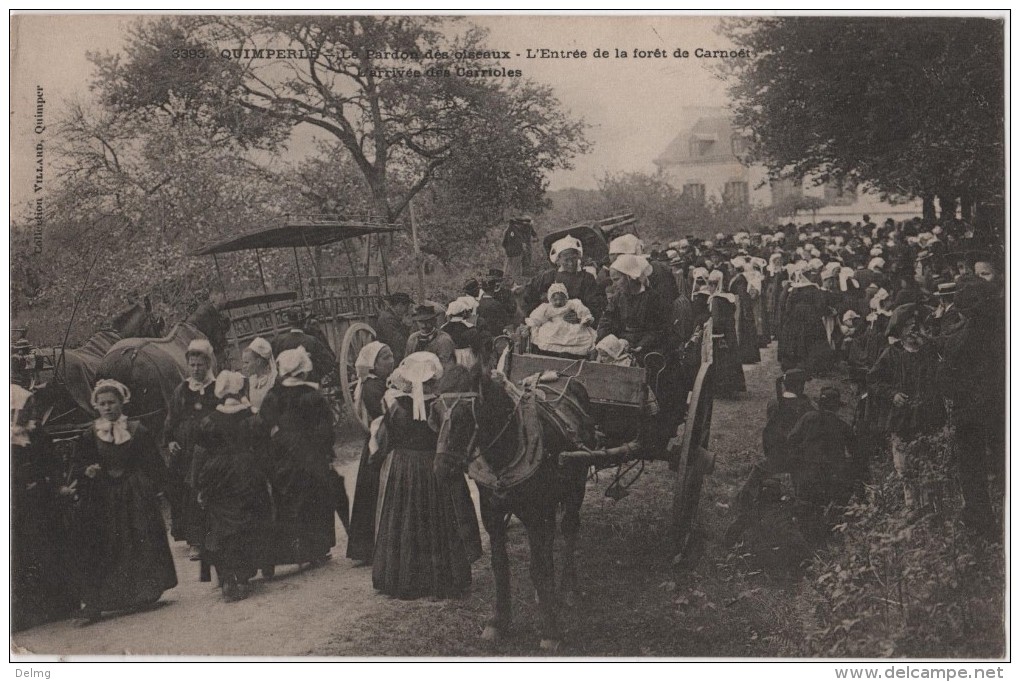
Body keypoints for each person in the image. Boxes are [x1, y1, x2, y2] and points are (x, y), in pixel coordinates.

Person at [372, 352, 482, 599]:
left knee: (405, 519)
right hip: (435, 467)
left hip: (403, 469)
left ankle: (406, 577)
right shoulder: (443, 403)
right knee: (438, 519)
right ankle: (442, 577)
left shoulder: (391, 402)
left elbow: (384, 439)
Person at [76, 379, 177, 622]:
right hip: (105, 495)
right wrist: (87, 470)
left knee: (140, 538)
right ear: (96, 406)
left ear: (122, 402)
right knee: (111, 542)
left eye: (112, 402)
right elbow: (80, 463)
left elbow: (153, 463)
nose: (108, 408)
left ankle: (145, 591)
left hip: (135, 493)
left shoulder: (136, 430)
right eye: (102, 404)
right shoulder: (91, 434)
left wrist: (155, 488)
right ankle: (115, 596)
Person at [193, 371, 271, 601]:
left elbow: (200, 454)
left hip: (217, 475)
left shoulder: (208, 421)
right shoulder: (251, 417)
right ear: (240, 391)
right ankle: (244, 575)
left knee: (220, 523)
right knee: (248, 520)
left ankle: (227, 577)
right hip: (246, 472)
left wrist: (199, 484)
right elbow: (264, 449)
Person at [258, 347, 337, 569]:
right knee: (315, 499)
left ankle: (290, 550)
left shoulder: (273, 396)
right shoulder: (312, 396)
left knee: (287, 500)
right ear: (303, 372)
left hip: (283, 452)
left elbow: (262, 425)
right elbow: (325, 429)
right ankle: (316, 549)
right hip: (310, 452)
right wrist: (326, 451)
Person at [12, 386, 79, 630]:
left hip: (40, 501)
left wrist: (59, 485)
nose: (25, 414)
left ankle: (60, 604)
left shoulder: (36, 435)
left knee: (48, 548)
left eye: (28, 409)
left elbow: (51, 462)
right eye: (19, 410)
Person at [867, 303, 945, 508]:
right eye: (908, 326)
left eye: (915, 325)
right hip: (902, 418)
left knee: (927, 459)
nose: (912, 331)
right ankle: (912, 505)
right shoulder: (891, 354)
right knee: (904, 463)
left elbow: (942, 374)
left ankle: (929, 506)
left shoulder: (929, 352)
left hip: (928, 416)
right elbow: (874, 380)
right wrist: (892, 394)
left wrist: (928, 346)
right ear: (899, 331)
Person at [725, 369, 813, 545]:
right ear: (799, 386)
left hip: (776, 454)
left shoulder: (774, 403)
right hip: (797, 456)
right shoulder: (805, 406)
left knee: (758, 472)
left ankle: (741, 504)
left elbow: (769, 433)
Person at [165, 339, 219, 555]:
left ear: (209, 364)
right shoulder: (182, 389)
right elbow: (172, 419)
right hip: (188, 449)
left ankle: (215, 535)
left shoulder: (217, 386)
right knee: (190, 490)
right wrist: (170, 440)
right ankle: (195, 541)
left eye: (200, 364)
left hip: (212, 446)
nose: (196, 369)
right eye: (192, 365)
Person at [347, 342, 396, 563]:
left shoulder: (382, 383)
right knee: (376, 491)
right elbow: (384, 416)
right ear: (373, 364)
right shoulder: (371, 387)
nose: (391, 360)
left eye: (391, 356)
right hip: (379, 441)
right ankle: (370, 547)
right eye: (385, 357)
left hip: (382, 438)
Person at [787, 387, 853, 543]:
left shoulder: (808, 418)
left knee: (805, 506)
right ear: (836, 407)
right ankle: (822, 540)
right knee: (823, 507)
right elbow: (855, 451)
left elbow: (791, 439)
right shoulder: (842, 426)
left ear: (820, 404)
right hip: (829, 476)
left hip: (806, 472)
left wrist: (798, 460)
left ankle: (804, 542)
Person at [596, 254, 669, 359]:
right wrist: (601, 340)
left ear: (629, 277)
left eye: (616, 279)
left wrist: (642, 345)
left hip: (645, 344)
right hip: (622, 342)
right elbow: (607, 320)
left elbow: (658, 329)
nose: (614, 285)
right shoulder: (618, 298)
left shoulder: (652, 298)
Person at [524, 236, 606, 322]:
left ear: (578, 257)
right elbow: (530, 294)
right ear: (558, 260)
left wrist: (580, 317)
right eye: (566, 260)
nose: (570, 263)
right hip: (551, 323)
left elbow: (595, 305)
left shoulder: (587, 278)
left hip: (578, 323)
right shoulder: (549, 276)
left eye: (573, 258)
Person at [526, 282, 597, 358]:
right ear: (550, 299)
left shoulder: (572, 303)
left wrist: (585, 319)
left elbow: (582, 310)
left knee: (579, 337)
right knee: (546, 335)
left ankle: (571, 354)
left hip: (571, 327)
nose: (558, 302)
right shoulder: (546, 307)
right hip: (553, 327)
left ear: (566, 297)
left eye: (561, 299)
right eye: (555, 300)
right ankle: (552, 353)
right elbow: (537, 317)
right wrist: (530, 324)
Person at [707, 269, 747, 397]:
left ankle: (722, 388)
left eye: (711, 284)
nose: (709, 287)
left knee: (721, 362)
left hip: (721, 335)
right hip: (729, 333)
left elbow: (717, 320)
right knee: (730, 359)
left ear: (715, 284)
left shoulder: (716, 300)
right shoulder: (727, 298)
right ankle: (732, 386)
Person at [272, 309, 337, 384]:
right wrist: (319, 375)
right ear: (304, 323)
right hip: (309, 382)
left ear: (289, 323)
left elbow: (274, 362)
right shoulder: (312, 341)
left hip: (286, 382)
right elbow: (328, 361)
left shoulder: (279, 340)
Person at [406, 304, 456, 370]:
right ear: (416, 322)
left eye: (427, 321)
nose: (424, 325)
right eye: (420, 321)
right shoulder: (413, 339)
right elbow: (407, 361)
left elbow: (448, 366)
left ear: (434, 321)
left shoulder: (443, 340)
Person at [442, 296, 487, 369]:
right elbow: (477, 346)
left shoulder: (443, 328)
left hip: (450, 357)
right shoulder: (469, 327)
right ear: (463, 313)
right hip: (466, 356)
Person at [375, 293, 413, 365]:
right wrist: (406, 326)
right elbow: (398, 343)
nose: (407, 310)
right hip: (387, 358)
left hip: (392, 354)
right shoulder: (387, 319)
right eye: (407, 307)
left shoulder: (391, 316)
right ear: (399, 305)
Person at [241, 337, 277, 413]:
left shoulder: (273, 379)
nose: (243, 366)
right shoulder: (250, 380)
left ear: (258, 362)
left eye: (247, 362)